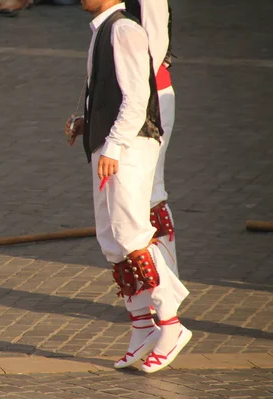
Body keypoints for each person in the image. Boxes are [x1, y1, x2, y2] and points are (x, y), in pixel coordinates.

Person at [66, 0, 190, 373]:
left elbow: (138, 97)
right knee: (111, 237)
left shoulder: (124, 30)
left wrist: (116, 145)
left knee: (131, 232)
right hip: (111, 144)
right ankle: (141, 327)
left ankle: (170, 322)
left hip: (130, 146)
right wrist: (87, 124)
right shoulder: (105, 30)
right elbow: (108, 92)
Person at [124, 0, 178, 276]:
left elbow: (155, 42)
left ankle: (164, 285)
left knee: (150, 193)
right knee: (133, 195)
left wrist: (138, 98)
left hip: (148, 96)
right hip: (131, 96)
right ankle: (154, 288)